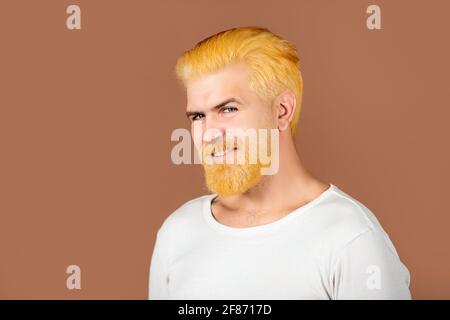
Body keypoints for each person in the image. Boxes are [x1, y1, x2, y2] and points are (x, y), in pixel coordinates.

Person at [148, 26, 411, 299]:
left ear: (282, 111)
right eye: (197, 117)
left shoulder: (351, 238)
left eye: (228, 109)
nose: (209, 134)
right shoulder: (178, 232)